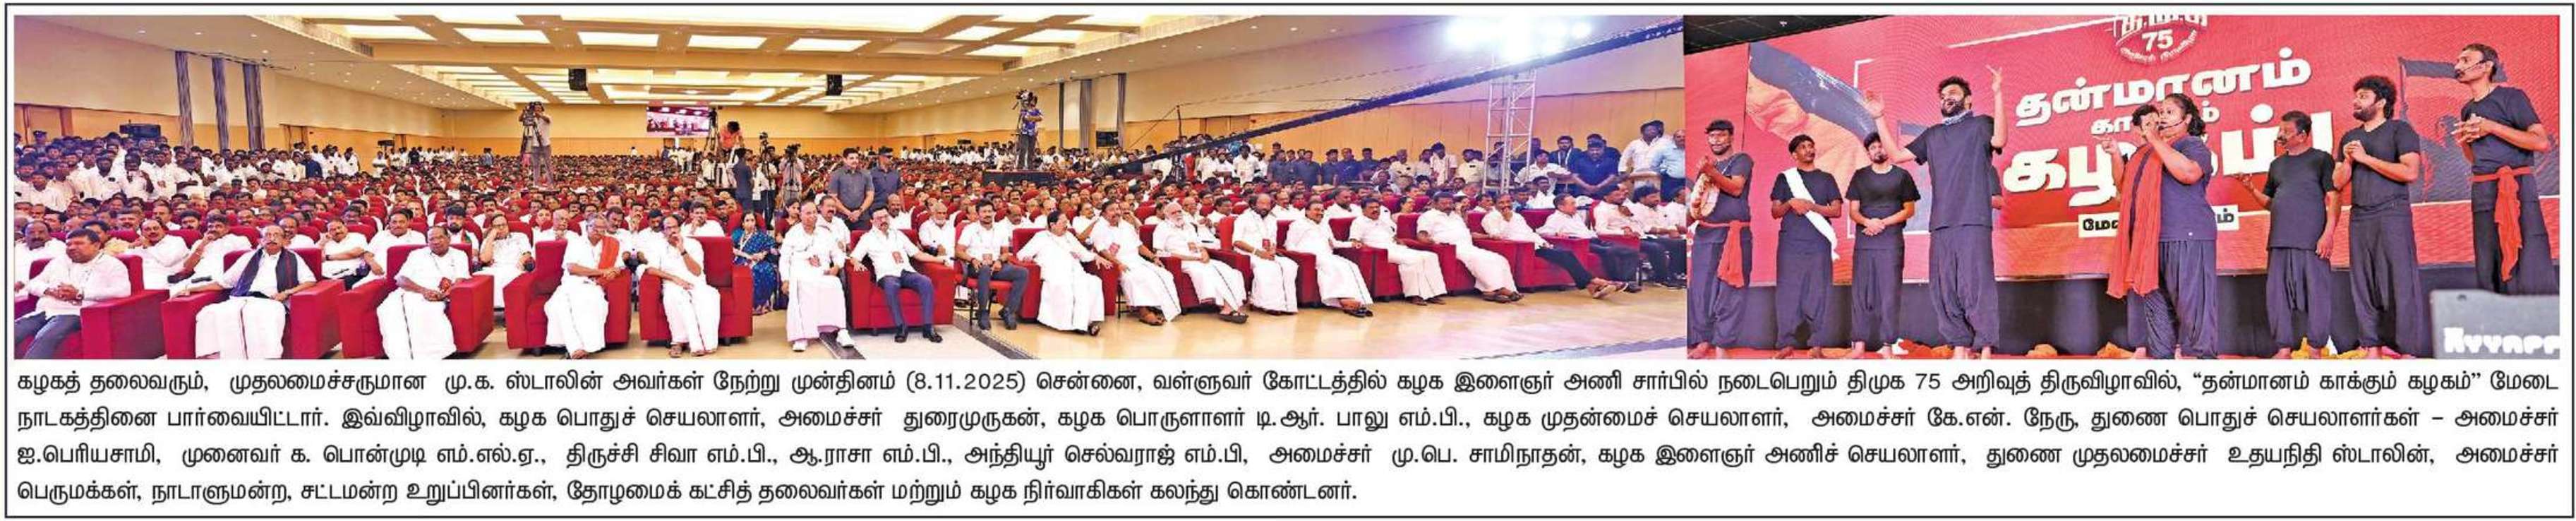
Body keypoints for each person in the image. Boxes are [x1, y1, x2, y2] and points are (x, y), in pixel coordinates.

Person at [1865, 67, 2008, 358]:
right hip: (1942, 223)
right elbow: (1897, 156)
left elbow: (2000, 141)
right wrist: (1879, 117)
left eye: (1953, 93)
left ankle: (1985, 349)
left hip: (1973, 219)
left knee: (1976, 285)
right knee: (1945, 288)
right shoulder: (1933, 135)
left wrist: (1998, 94)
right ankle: (1960, 347)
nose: (1947, 98)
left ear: (1968, 100)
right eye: (1943, 96)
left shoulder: (1981, 124)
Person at [2105, 95, 2220, 359]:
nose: (2163, 117)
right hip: (2150, 239)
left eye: (2170, 112)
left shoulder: (2192, 145)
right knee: (2156, 305)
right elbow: (2125, 187)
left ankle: (2206, 363)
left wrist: (2156, 140)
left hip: (2186, 235)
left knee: (2193, 304)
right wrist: (2115, 155)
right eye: (2161, 111)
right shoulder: (2145, 152)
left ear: (2187, 119)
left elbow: (2189, 174)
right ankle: (2163, 363)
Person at [2337, 75, 2431, 359]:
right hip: (2360, 216)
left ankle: (2408, 351)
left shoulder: (2400, 130)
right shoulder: (2349, 138)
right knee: (2363, 282)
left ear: (2381, 102)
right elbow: (2337, 182)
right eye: (2356, 96)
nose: (2356, 101)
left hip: (2392, 213)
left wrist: (2366, 159)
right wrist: (2348, 161)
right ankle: (2372, 347)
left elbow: (2410, 172)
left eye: (2363, 96)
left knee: (2400, 281)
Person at [2449, 43, 2553, 296]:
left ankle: (2534, 316)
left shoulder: (2512, 97)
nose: (2458, 66)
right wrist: (2464, 142)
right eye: (2458, 60)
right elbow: (2475, 159)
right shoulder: (2467, 109)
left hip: (2516, 188)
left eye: (2466, 60)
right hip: (2483, 190)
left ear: (2487, 66)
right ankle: (2495, 313)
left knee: (2526, 255)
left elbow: (2541, 142)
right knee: (2488, 257)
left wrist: (2492, 127)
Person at [2235, 111, 2338, 358]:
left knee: (2317, 295)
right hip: (2280, 239)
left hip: (2311, 240)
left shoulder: (2321, 159)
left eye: (2287, 131)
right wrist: (2250, 189)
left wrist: (2328, 234)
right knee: (2277, 297)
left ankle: (2315, 349)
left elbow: (2334, 197)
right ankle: (2283, 349)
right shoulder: (2277, 165)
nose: (2280, 135)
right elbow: (2270, 203)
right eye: (2280, 130)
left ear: (2303, 135)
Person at [173, 225, 316, 359]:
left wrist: (286, 293)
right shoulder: (248, 257)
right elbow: (224, 283)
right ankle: (218, 359)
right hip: (241, 299)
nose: (272, 238)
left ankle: (263, 360)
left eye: (277, 235)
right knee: (209, 313)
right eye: (267, 235)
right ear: (261, 241)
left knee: (258, 316)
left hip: (271, 301)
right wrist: (190, 289)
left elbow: (310, 281)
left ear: (285, 241)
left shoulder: (293, 258)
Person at [1841, 131, 1919, 359]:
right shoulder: (1860, 176)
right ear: (1868, 153)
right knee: (1861, 295)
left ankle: (1887, 347)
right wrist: (1868, 222)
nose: (1878, 150)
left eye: (1881, 146)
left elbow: (1909, 210)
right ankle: (1858, 347)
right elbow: (1853, 211)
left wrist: (1882, 223)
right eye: (1873, 148)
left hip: (1891, 243)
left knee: (1889, 295)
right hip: (1865, 243)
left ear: (1888, 148)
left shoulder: (1902, 176)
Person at [1765, 135, 1845, 356]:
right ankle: (1786, 345)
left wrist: (1812, 206)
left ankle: (1817, 345)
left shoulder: (1827, 178)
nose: (1809, 150)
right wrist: (1791, 203)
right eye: (1803, 147)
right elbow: (1775, 212)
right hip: (1791, 243)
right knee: (1788, 292)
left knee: (1819, 292)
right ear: (1794, 154)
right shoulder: (1785, 178)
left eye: (1811, 146)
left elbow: (1836, 211)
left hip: (1819, 243)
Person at [11, 229, 128, 359]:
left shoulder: (112, 264)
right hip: (46, 310)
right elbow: (33, 283)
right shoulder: (59, 261)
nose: (72, 248)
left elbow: (123, 291)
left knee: (46, 337)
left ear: (96, 245)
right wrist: (50, 291)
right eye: (69, 244)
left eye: (79, 243)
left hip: (76, 313)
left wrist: (81, 294)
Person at [1483, 196, 1616, 298]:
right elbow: (1497, 236)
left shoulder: (1517, 216)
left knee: (1567, 253)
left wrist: (1543, 242)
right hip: (1523, 248)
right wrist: (1506, 220)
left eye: (1508, 202)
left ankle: (1591, 286)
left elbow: (1530, 232)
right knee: (1565, 255)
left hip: (1537, 244)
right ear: (1495, 205)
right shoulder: (1490, 218)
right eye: (1501, 203)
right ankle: (1594, 281)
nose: (1506, 205)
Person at [378, 227, 471, 360]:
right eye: (431, 239)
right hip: (412, 292)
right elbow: (401, 279)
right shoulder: (417, 254)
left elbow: (460, 280)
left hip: (439, 296)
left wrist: (445, 295)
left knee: (428, 311)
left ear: (449, 238)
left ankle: (436, 354)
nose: (436, 242)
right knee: (390, 310)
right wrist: (424, 291)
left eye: (440, 237)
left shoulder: (459, 255)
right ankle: (403, 356)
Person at [1152, 203, 1251, 323]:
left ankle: (1231, 306)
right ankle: (1227, 308)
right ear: (1167, 215)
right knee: (1209, 273)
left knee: (1230, 271)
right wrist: (1190, 258)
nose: (1178, 214)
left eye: (1179, 211)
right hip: (1182, 261)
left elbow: (1200, 245)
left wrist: (1205, 253)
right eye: (1174, 213)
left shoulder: (1189, 226)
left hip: (1199, 258)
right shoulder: (1162, 228)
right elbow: (1159, 252)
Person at [1088, 201, 1181, 325]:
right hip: (1119, 262)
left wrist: (1153, 258)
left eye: (1117, 209)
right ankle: (1143, 312)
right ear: (1104, 214)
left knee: (1165, 275)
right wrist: (1118, 264)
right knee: (1134, 278)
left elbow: (1139, 246)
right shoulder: (1099, 228)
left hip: (1137, 260)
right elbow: (1103, 251)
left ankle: (1158, 307)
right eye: (1112, 210)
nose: (1116, 212)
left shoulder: (1127, 226)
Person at [1416, 194, 1522, 303]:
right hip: (1449, 248)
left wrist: (1488, 236)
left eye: (1450, 203)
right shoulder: (1428, 216)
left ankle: (1496, 291)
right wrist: (1429, 241)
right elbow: (1422, 235)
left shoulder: (1455, 216)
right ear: (1435, 204)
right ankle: (1499, 289)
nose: (1448, 206)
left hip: (1468, 246)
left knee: (1499, 259)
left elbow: (1468, 232)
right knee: (1479, 259)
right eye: (1444, 204)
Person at [1016, 211, 1107, 335]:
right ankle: (1080, 325)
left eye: (1067, 222)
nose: (1066, 225)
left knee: (1093, 282)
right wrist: (1028, 258)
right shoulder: (1041, 237)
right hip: (1054, 272)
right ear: (1053, 225)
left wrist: (1096, 257)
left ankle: (1086, 323)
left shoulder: (1069, 236)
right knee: (1067, 287)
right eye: (1063, 223)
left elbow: (1083, 253)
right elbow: (1021, 254)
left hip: (1074, 271)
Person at [781, 203, 855, 351]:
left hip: (822, 272)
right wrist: (785, 280)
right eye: (808, 213)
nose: (812, 216)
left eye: (814, 212)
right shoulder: (793, 234)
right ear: (800, 215)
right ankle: (801, 337)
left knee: (835, 284)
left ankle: (841, 331)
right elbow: (784, 259)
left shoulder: (825, 233)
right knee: (804, 286)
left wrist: (836, 267)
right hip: (801, 273)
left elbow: (838, 254)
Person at [645, 215, 721, 357]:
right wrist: (675, 278)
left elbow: (697, 271)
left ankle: (708, 343)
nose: (672, 231)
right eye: (668, 228)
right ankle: (680, 342)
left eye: (675, 227)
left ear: (680, 228)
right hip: (672, 283)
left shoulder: (693, 244)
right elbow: (651, 269)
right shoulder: (657, 246)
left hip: (695, 282)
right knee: (675, 298)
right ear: (663, 231)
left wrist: (682, 250)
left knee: (710, 296)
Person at [548, 213, 622, 359]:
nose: (598, 230)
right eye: (594, 227)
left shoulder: (612, 244)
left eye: (602, 228)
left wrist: (614, 271)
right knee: (555, 305)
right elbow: (572, 268)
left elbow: (618, 267)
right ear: (587, 227)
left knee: (586, 304)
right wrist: (601, 271)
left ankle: (578, 348)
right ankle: (577, 348)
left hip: (592, 285)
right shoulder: (576, 242)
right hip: (572, 283)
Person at [1284, 201, 1376, 317]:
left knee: (1349, 265)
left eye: (1322, 210)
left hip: (1326, 254)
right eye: (1317, 210)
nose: (1320, 213)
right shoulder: (1298, 224)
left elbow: (1333, 243)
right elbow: (1289, 245)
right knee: (1333, 266)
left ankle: (1354, 299)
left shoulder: (1325, 224)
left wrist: (1351, 244)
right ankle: (1344, 300)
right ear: (1307, 211)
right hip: (1309, 256)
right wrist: (1301, 257)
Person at [1352, 198, 1449, 304]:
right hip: (1380, 251)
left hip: (1395, 247)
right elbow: (1354, 240)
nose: (1375, 210)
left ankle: (1433, 294)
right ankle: (1414, 295)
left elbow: (1392, 235)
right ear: (1363, 210)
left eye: (1377, 207)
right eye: (1371, 208)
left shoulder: (1383, 221)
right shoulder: (1359, 223)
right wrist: (1367, 248)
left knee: (1431, 256)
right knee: (1413, 260)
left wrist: (1399, 240)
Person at [1539, 197, 1642, 292]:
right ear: (1561, 207)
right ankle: (1616, 281)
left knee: (1631, 251)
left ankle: (1627, 281)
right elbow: (1542, 231)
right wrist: (1556, 233)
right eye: (1572, 204)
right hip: (1582, 243)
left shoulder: (1576, 216)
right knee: (1610, 252)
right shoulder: (1555, 218)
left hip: (1595, 239)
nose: (1576, 206)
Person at [957, 200, 1030, 330]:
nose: (987, 214)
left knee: (1022, 273)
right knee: (984, 269)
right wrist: (972, 259)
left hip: (996, 266)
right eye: (984, 212)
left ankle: (1008, 310)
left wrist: (999, 261)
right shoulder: (970, 229)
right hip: (976, 266)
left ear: (994, 213)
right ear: (978, 214)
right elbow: (959, 251)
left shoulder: (1001, 229)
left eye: (990, 211)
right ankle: (982, 311)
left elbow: (1006, 253)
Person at [1232, 195, 1303, 315]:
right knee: (1268, 267)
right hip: (1248, 253)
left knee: (1290, 265)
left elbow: (1273, 240)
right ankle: (1266, 305)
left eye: (1268, 204)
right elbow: (1237, 242)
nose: (1265, 207)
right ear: (1253, 205)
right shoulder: (1243, 218)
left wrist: (1272, 250)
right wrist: (1258, 253)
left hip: (1266, 253)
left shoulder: (1272, 220)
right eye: (1262, 204)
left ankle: (1288, 305)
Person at [475, 213, 533, 306]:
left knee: (512, 277)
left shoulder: (520, 236)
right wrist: (491, 238)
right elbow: (485, 259)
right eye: (497, 226)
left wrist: (521, 262)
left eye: (504, 225)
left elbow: (527, 253)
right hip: (494, 269)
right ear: (492, 228)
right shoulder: (488, 241)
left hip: (514, 267)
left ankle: (509, 308)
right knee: (482, 279)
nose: (502, 228)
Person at [732, 214, 781, 315]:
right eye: (747, 221)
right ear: (743, 223)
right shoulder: (737, 234)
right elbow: (731, 248)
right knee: (746, 271)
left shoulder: (762, 236)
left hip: (759, 260)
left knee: (764, 270)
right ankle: (747, 306)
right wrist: (747, 256)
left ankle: (760, 305)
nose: (750, 223)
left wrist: (763, 254)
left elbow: (771, 247)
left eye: (752, 220)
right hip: (741, 260)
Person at [519, 102, 553, 184]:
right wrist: (524, 112)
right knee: (535, 165)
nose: (537, 109)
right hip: (534, 144)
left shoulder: (547, 116)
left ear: (542, 109)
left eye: (539, 108)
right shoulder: (532, 118)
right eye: (536, 108)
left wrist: (539, 115)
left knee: (547, 164)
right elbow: (520, 120)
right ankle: (536, 183)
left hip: (545, 144)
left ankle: (550, 182)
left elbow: (548, 120)